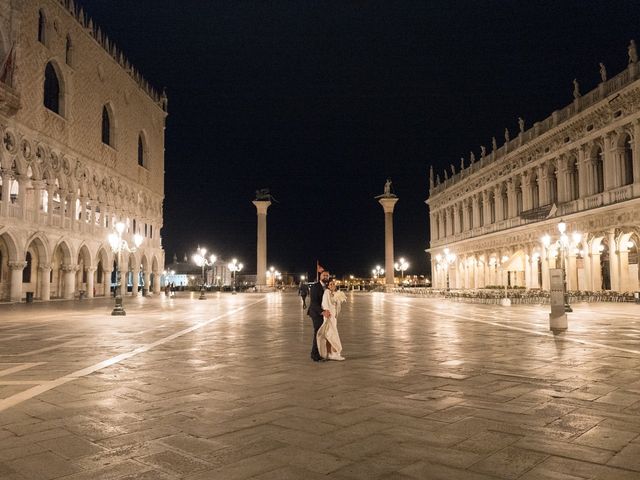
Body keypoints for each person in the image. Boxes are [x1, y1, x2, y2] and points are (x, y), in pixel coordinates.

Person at [317, 279, 346, 361]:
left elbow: (337, 306)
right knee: (332, 335)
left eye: (334, 284)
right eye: (331, 284)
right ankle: (334, 352)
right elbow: (325, 303)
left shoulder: (336, 293)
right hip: (328, 316)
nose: (332, 285)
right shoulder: (326, 292)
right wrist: (326, 313)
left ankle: (330, 353)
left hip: (334, 317)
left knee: (331, 335)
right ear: (328, 286)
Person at [307, 270, 330, 361]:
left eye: (327, 276)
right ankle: (314, 354)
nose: (326, 277)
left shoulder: (327, 287)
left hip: (325, 313)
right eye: (324, 275)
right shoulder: (315, 287)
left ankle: (323, 352)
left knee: (323, 334)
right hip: (316, 313)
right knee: (318, 333)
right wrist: (322, 312)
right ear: (320, 276)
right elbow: (314, 302)